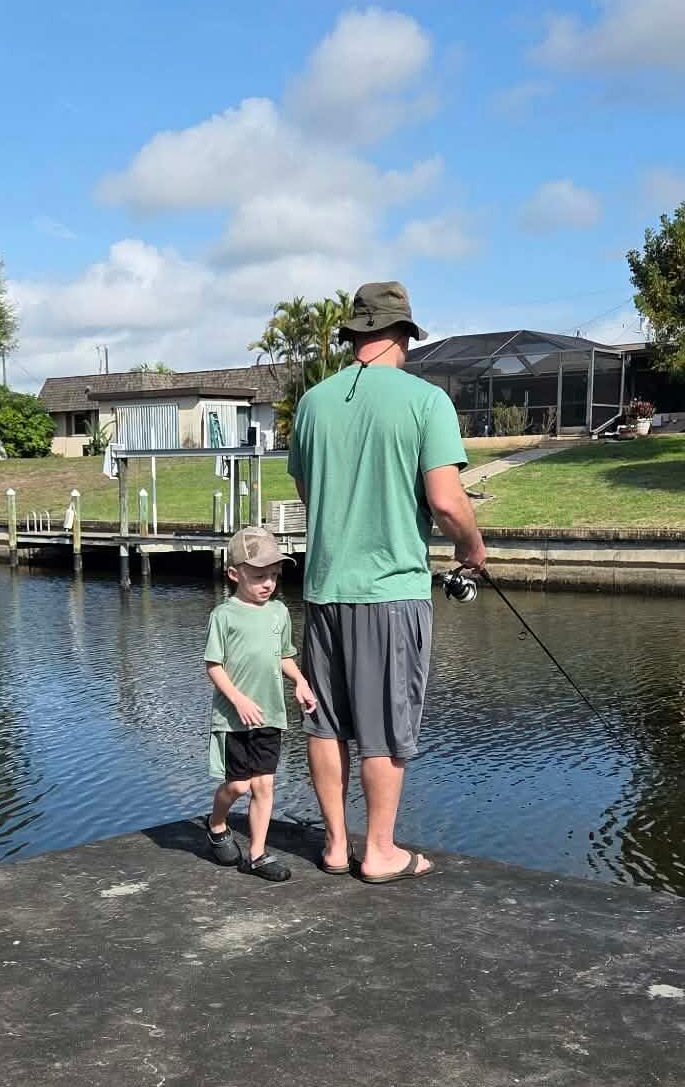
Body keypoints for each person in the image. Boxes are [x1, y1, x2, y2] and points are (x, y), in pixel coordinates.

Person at [287, 280, 487, 883]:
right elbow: (447, 502)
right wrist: (473, 549)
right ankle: (378, 851)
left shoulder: (312, 403)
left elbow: (307, 491)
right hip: (391, 592)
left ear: (354, 336)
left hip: (322, 591)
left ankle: (332, 844)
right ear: (405, 335)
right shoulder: (426, 402)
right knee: (386, 723)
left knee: (324, 720)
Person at [203, 525, 318, 883]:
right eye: (258, 576)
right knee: (238, 786)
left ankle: (256, 855)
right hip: (235, 718)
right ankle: (217, 823)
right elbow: (213, 666)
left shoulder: (279, 612)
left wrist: (300, 681)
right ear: (235, 574)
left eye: (273, 575)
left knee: (264, 785)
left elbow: (283, 655)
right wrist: (237, 700)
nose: (268, 583)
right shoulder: (224, 616)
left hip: (270, 715)